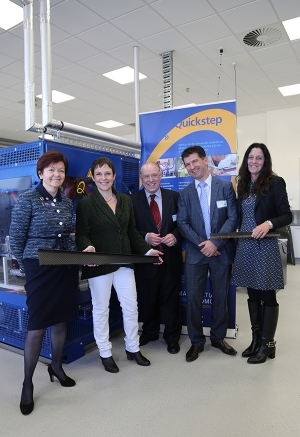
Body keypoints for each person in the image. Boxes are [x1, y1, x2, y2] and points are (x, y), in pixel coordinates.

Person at [75, 157, 162, 374]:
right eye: (99, 174)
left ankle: (133, 348)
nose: (104, 178)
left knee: (131, 306)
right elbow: (82, 234)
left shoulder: (125, 200)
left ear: (114, 176)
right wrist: (87, 248)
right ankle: (105, 353)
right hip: (99, 263)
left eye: (107, 173)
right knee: (101, 309)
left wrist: (148, 251)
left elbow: (131, 231)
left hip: (124, 261)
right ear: (93, 178)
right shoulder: (86, 204)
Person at [9, 151, 79, 416]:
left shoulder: (66, 202)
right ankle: (27, 384)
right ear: (40, 173)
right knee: (37, 325)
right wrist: (30, 265)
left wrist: (79, 254)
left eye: (60, 170)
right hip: (39, 267)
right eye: (51, 170)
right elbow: (16, 239)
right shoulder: (28, 199)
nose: (56, 175)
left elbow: (69, 236)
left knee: (61, 320)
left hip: (64, 266)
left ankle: (56, 366)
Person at [231, 143, 292, 364]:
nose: (254, 161)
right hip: (245, 245)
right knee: (252, 294)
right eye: (251, 157)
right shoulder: (243, 184)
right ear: (246, 160)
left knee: (267, 294)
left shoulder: (275, 182)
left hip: (265, 245)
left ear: (265, 161)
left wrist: (268, 224)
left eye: (259, 158)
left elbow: (286, 215)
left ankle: (268, 344)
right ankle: (256, 340)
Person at [177, 145, 238, 362]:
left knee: (221, 298)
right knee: (193, 300)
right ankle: (196, 342)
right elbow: (182, 223)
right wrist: (203, 244)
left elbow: (233, 218)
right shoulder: (184, 194)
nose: (192, 167)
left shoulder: (225, 187)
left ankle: (218, 338)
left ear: (204, 160)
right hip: (195, 254)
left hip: (220, 252)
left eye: (195, 161)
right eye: (187, 164)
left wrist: (215, 243)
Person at [131, 162, 183, 354]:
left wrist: (175, 235)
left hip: (171, 258)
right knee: (147, 298)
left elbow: (184, 224)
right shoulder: (132, 200)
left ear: (161, 175)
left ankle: (172, 338)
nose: (151, 180)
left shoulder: (175, 197)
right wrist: (146, 236)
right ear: (141, 178)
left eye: (154, 175)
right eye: (146, 177)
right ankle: (150, 332)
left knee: (171, 300)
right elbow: (131, 229)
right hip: (146, 259)